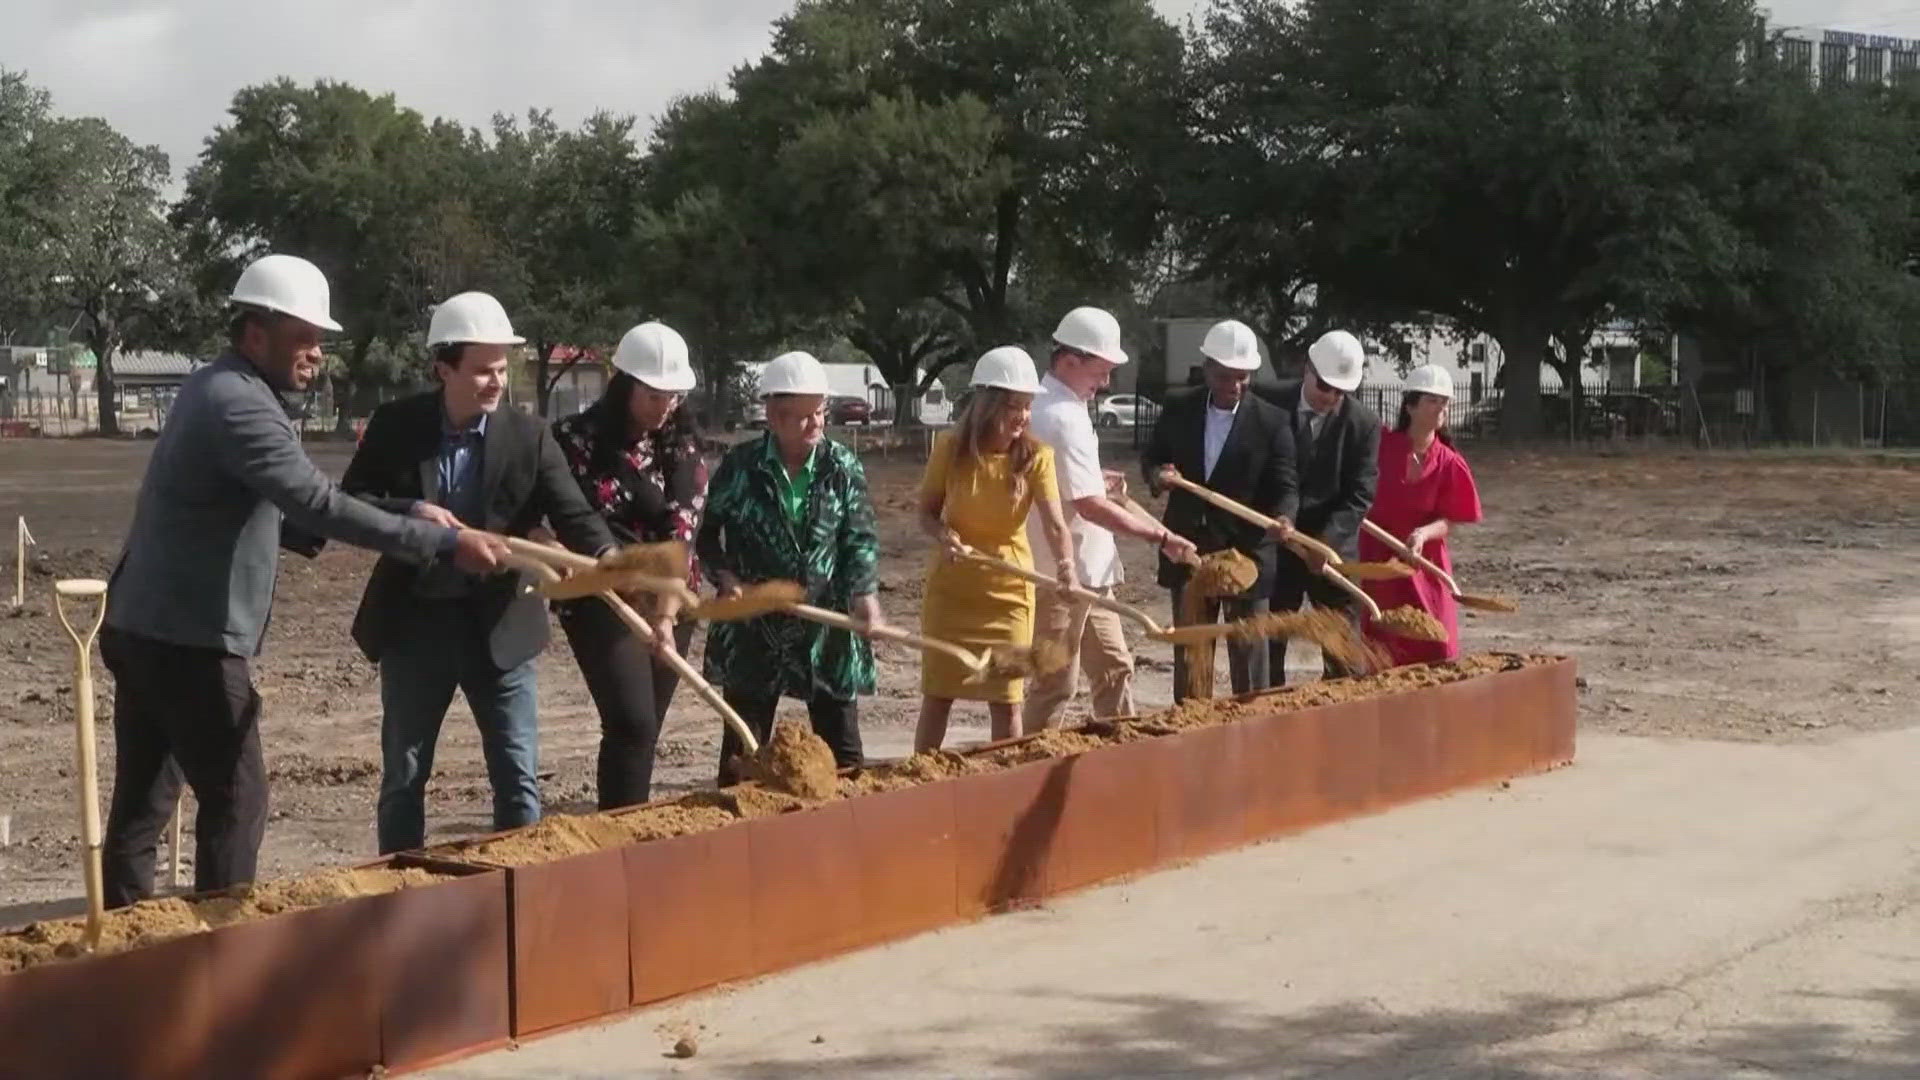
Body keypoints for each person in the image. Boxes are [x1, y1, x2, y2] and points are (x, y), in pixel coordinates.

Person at [98, 255, 508, 906]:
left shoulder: (220, 387)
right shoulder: (241, 405)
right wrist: (445, 543)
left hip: (144, 625)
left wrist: (408, 510)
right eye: (303, 338)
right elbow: (316, 507)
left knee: (145, 802)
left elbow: (297, 509)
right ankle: (219, 943)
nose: (317, 354)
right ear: (256, 334)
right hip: (188, 640)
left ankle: (125, 951)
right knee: (239, 794)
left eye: (320, 340)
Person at [340, 291, 615, 854]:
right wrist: (411, 511)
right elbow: (352, 502)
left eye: (502, 369)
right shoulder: (397, 426)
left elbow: (574, 511)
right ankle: (400, 890)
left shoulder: (529, 435)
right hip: (415, 627)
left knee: (518, 779)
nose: (497, 381)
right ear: (444, 368)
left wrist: (608, 558)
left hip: (501, 626)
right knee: (404, 777)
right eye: (483, 370)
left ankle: (522, 897)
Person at [696, 350, 886, 783]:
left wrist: (865, 595)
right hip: (754, 624)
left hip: (827, 624)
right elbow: (706, 536)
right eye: (802, 417)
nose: (816, 424)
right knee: (744, 752)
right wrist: (724, 577)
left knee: (845, 756)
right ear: (773, 416)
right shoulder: (742, 467)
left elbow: (859, 539)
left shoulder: (842, 466)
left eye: (820, 412)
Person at [551, 322, 707, 809]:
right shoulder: (572, 441)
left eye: (673, 395)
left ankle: (631, 826)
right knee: (629, 719)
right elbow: (559, 512)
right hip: (600, 595)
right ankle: (618, 831)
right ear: (625, 385)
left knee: (646, 728)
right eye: (654, 394)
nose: (665, 407)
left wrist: (664, 614)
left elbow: (682, 528)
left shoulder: (681, 443)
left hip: (673, 594)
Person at [1023, 306, 1200, 732]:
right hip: (1064, 574)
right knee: (1055, 682)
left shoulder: (1050, 404)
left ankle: (1122, 752)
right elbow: (1089, 505)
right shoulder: (1062, 417)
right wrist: (1161, 537)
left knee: (1115, 667)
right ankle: (1027, 762)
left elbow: (1067, 483)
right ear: (1069, 361)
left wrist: (1092, 482)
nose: (1105, 384)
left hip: (1087, 571)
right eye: (1099, 373)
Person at [914, 347, 1074, 751]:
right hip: (953, 591)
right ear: (985, 405)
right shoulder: (950, 449)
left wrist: (1066, 568)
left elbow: (1056, 525)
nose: (1021, 417)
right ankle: (919, 779)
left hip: (1009, 593)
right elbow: (927, 515)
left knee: (1007, 701)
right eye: (1012, 407)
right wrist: (943, 536)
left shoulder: (1037, 457)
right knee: (938, 696)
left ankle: (1007, 777)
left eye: (1026, 406)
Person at [1143, 319, 1299, 700]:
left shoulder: (1271, 421)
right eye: (1226, 377)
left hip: (1245, 554)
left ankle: (1251, 728)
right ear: (1207, 369)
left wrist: (1284, 517)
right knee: (1192, 654)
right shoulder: (1180, 407)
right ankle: (1192, 726)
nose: (1235, 386)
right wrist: (1159, 476)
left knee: (1249, 655)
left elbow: (1285, 484)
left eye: (1243, 378)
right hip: (1189, 548)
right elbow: (1153, 458)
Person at [1259, 329, 1381, 685]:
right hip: (1276, 544)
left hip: (1332, 551)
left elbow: (1360, 493)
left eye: (1341, 390)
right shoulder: (1265, 402)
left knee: (1344, 653)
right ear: (1306, 369)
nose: (1331, 397)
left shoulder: (1364, 424)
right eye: (1324, 386)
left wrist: (1324, 543)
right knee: (1268, 643)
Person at [1360, 365, 1483, 666]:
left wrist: (1423, 534)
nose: (1441, 408)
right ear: (1410, 405)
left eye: (1445, 402)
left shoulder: (1450, 463)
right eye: (1432, 400)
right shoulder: (1380, 447)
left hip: (1424, 563)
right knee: (1382, 645)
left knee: (1435, 645)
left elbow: (1451, 518)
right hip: (1379, 560)